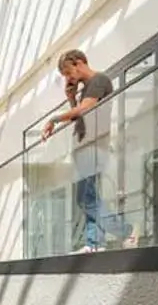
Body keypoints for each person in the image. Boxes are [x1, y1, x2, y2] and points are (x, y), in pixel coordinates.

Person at [41, 49, 134, 253]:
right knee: (89, 197)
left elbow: (84, 110)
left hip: (94, 147)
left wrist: (54, 119)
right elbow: (80, 115)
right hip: (86, 147)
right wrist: (71, 97)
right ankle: (94, 243)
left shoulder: (98, 80)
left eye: (68, 72)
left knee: (85, 198)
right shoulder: (86, 89)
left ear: (79, 63)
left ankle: (126, 231)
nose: (69, 78)